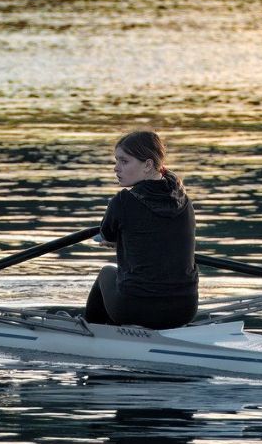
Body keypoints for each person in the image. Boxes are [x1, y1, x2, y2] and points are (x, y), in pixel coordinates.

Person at [84, 130, 198, 329]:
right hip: (185, 309)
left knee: (106, 273)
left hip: (135, 309)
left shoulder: (123, 201)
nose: (116, 168)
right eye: (116, 161)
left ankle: (91, 331)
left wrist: (118, 239)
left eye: (124, 161)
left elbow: (107, 235)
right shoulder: (183, 200)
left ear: (147, 165)